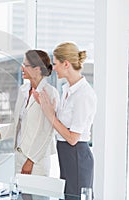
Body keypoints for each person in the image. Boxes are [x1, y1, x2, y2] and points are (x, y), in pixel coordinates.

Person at [38, 42, 97, 195]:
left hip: (76, 155)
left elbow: (73, 138)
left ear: (66, 64)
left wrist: (50, 115)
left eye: (55, 63)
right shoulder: (66, 90)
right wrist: (49, 110)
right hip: (66, 154)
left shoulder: (83, 94)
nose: (54, 68)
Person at [0, 50, 59, 176]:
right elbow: (17, 125)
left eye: (25, 65)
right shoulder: (23, 90)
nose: (22, 67)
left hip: (36, 161)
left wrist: (30, 161)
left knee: (35, 195)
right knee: (19, 195)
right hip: (19, 157)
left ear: (37, 69)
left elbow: (46, 132)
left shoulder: (50, 93)